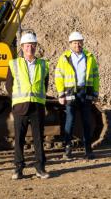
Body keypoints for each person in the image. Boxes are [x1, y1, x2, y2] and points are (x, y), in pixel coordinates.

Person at [6, 31, 51, 179]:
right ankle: (18, 169)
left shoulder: (43, 65)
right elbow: (9, 85)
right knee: (19, 139)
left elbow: (45, 84)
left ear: (36, 46)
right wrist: (16, 100)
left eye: (32, 45)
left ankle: (40, 168)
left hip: (37, 106)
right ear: (22, 47)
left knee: (38, 139)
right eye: (27, 45)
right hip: (20, 106)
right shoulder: (14, 64)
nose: (29, 48)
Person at [54, 31, 100, 160]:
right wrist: (61, 94)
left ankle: (88, 149)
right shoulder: (64, 58)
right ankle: (68, 149)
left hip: (85, 93)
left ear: (82, 43)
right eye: (74, 43)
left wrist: (95, 92)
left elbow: (95, 77)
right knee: (70, 121)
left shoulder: (89, 57)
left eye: (79, 42)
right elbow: (59, 76)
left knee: (87, 122)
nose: (77, 45)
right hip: (70, 94)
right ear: (70, 44)